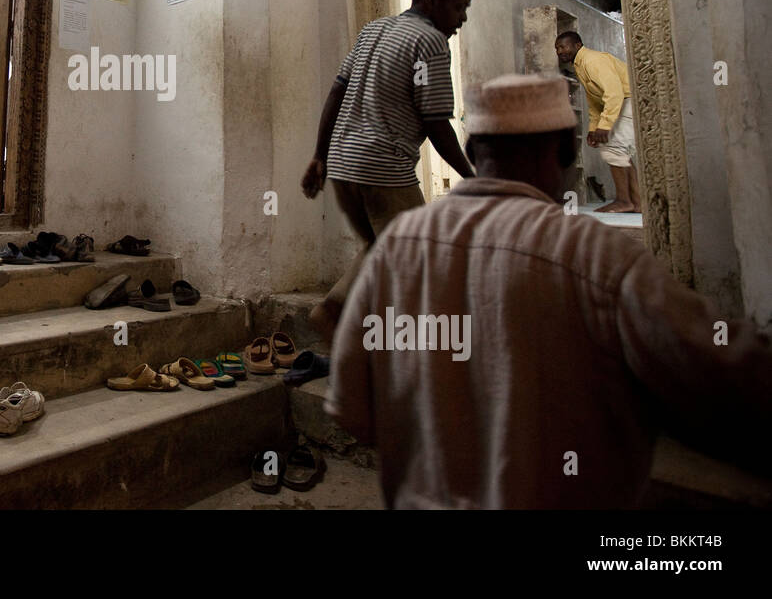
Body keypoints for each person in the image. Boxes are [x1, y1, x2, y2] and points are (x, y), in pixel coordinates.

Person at [327, 73, 772, 508]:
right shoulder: (594, 256)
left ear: (469, 152)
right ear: (564, 150)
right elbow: (726, 375)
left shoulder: (397, 245)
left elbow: (354, 409)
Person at [301, 0, 474, 341]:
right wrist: (472, 176)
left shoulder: (374, 29)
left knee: (385, 248)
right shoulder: (430, 42)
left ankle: (345, 322)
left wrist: (320, 154)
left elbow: (337, 91)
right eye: (459, 7)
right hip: (382, 168)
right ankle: (343, 317)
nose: (462, 18)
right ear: (431, 0)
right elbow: (435, 122)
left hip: (345, 166)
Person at [554, 30, 640, 213]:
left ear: (578, 45)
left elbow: (614, 92)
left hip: (629, 99)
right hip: (623, 101)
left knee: (613, 149)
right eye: (557, 48)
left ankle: (624, 201)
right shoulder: (580, 66)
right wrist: (594, 128)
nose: (560, 51)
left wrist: (605, 125)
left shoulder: (593, 61)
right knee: (621, 152)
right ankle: (638, 203)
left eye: (563, 46)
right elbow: (594, 102)